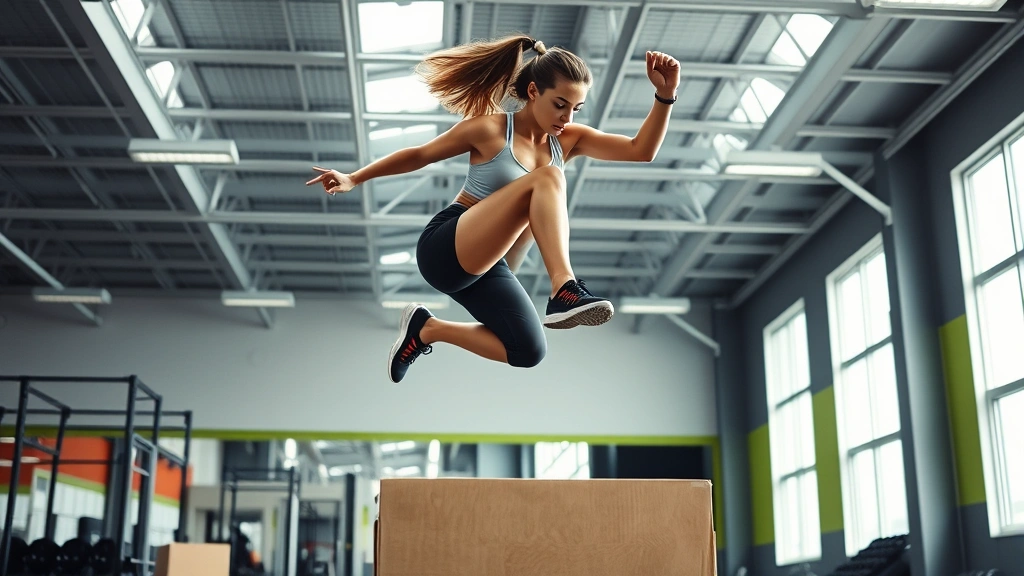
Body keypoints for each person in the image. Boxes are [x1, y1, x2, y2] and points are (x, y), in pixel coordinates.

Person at [306, 35, 680, 383]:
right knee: (549, 178)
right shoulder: (490, 130)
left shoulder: (568, 140)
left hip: (485, 267)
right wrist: (355, 177)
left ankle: (426, 328)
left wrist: (665, 96)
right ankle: (564, 288)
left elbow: (640, 150)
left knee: (528, 350)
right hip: (446, 247)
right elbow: (419, 155)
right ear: (533, 91)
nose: (567, 119)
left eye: (576, 109)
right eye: (560, 105)